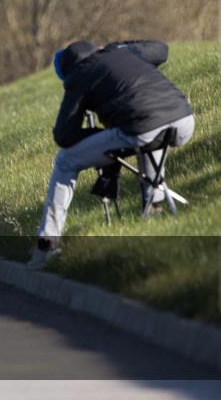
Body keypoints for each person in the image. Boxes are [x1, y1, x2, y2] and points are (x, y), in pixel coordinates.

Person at [28, 40, 194, 270]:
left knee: (65, 161)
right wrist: (121, 46)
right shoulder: (125, 52)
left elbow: (63, 136)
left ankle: (48, 244)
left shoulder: (80, 75)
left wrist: (99, 133)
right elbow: (161, 48)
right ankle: (154, 209)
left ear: (70, 70)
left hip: (144, 127)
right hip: (185, 120)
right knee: (147, 133)